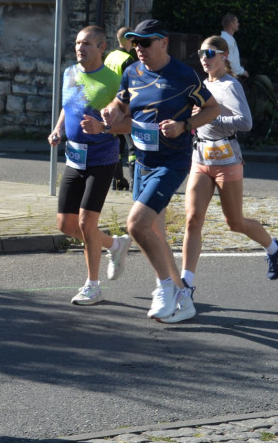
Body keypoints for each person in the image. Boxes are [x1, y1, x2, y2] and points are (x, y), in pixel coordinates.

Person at [87, 19, 220, 324]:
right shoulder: (132, 72)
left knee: (136, 225)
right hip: (142, 162)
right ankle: (183, 298)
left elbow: (213, 109)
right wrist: (110, 110)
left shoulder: (184, 76)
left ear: (163, 42)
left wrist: (184, 125)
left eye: (145, 43)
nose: (139, 49)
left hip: (171, 162)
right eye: (135, 43)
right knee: (155, 232)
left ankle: (165, 288)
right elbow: (121, 105)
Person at [180, 37, 278, 321]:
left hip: (227, 159)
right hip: (201, 158)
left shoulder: (231, 85)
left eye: (210, 53)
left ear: (224, 56)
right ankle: (186, 285)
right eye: (201, 53)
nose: (204, 58)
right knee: (192, 220)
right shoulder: (200, 85)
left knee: (234, 222)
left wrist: (210, 120)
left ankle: (275, 247)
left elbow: (246, 122)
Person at [48, 26, 131, 306]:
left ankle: (92, 286)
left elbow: (125, 123)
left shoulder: (113, 80)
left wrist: (103, 128)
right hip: (74, 157)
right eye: (77, 43)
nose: (80, 48)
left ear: (101, 47)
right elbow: (68, 107)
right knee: (66, 225)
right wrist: (58, 130)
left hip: (102, 157)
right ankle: (115, 244)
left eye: (87, 44)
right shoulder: (69, 73)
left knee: (86, 222)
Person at [103, 27, 138, 191]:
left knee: (116, 145)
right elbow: (132, 87)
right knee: (133, 146)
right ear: (129, 40)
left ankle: (116, 181)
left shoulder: (110, 57)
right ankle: (134, 183)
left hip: (110, 105)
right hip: (124, 107)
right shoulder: (128, 60)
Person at [220, 13, 247, 78]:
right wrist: (243, 72)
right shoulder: (227, 40)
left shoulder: (228, 38)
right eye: (237, 22)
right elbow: (230, 62)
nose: (238, 24)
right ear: (232, 24)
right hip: (230, 77)